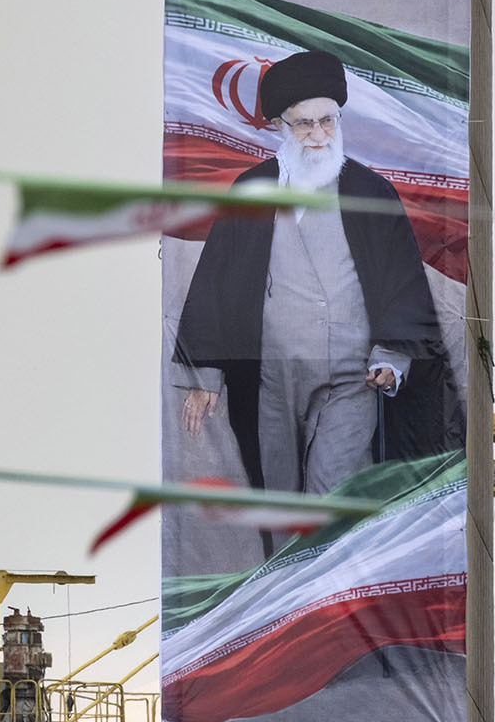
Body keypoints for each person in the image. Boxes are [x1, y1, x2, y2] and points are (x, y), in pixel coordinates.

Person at [172, 49, 460, 499]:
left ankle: (342, 570)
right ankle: (292, 572)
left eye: (328, 121)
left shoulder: (371, 192)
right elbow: (218, 280)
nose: (318, 135)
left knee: (334, 487)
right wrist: (206, 374)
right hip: (272, 374)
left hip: (350, 374)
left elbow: (402, 281)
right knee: (280, 493)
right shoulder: (252, 190)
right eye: (304, 124)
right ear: (278, 126)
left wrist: (392, 355)